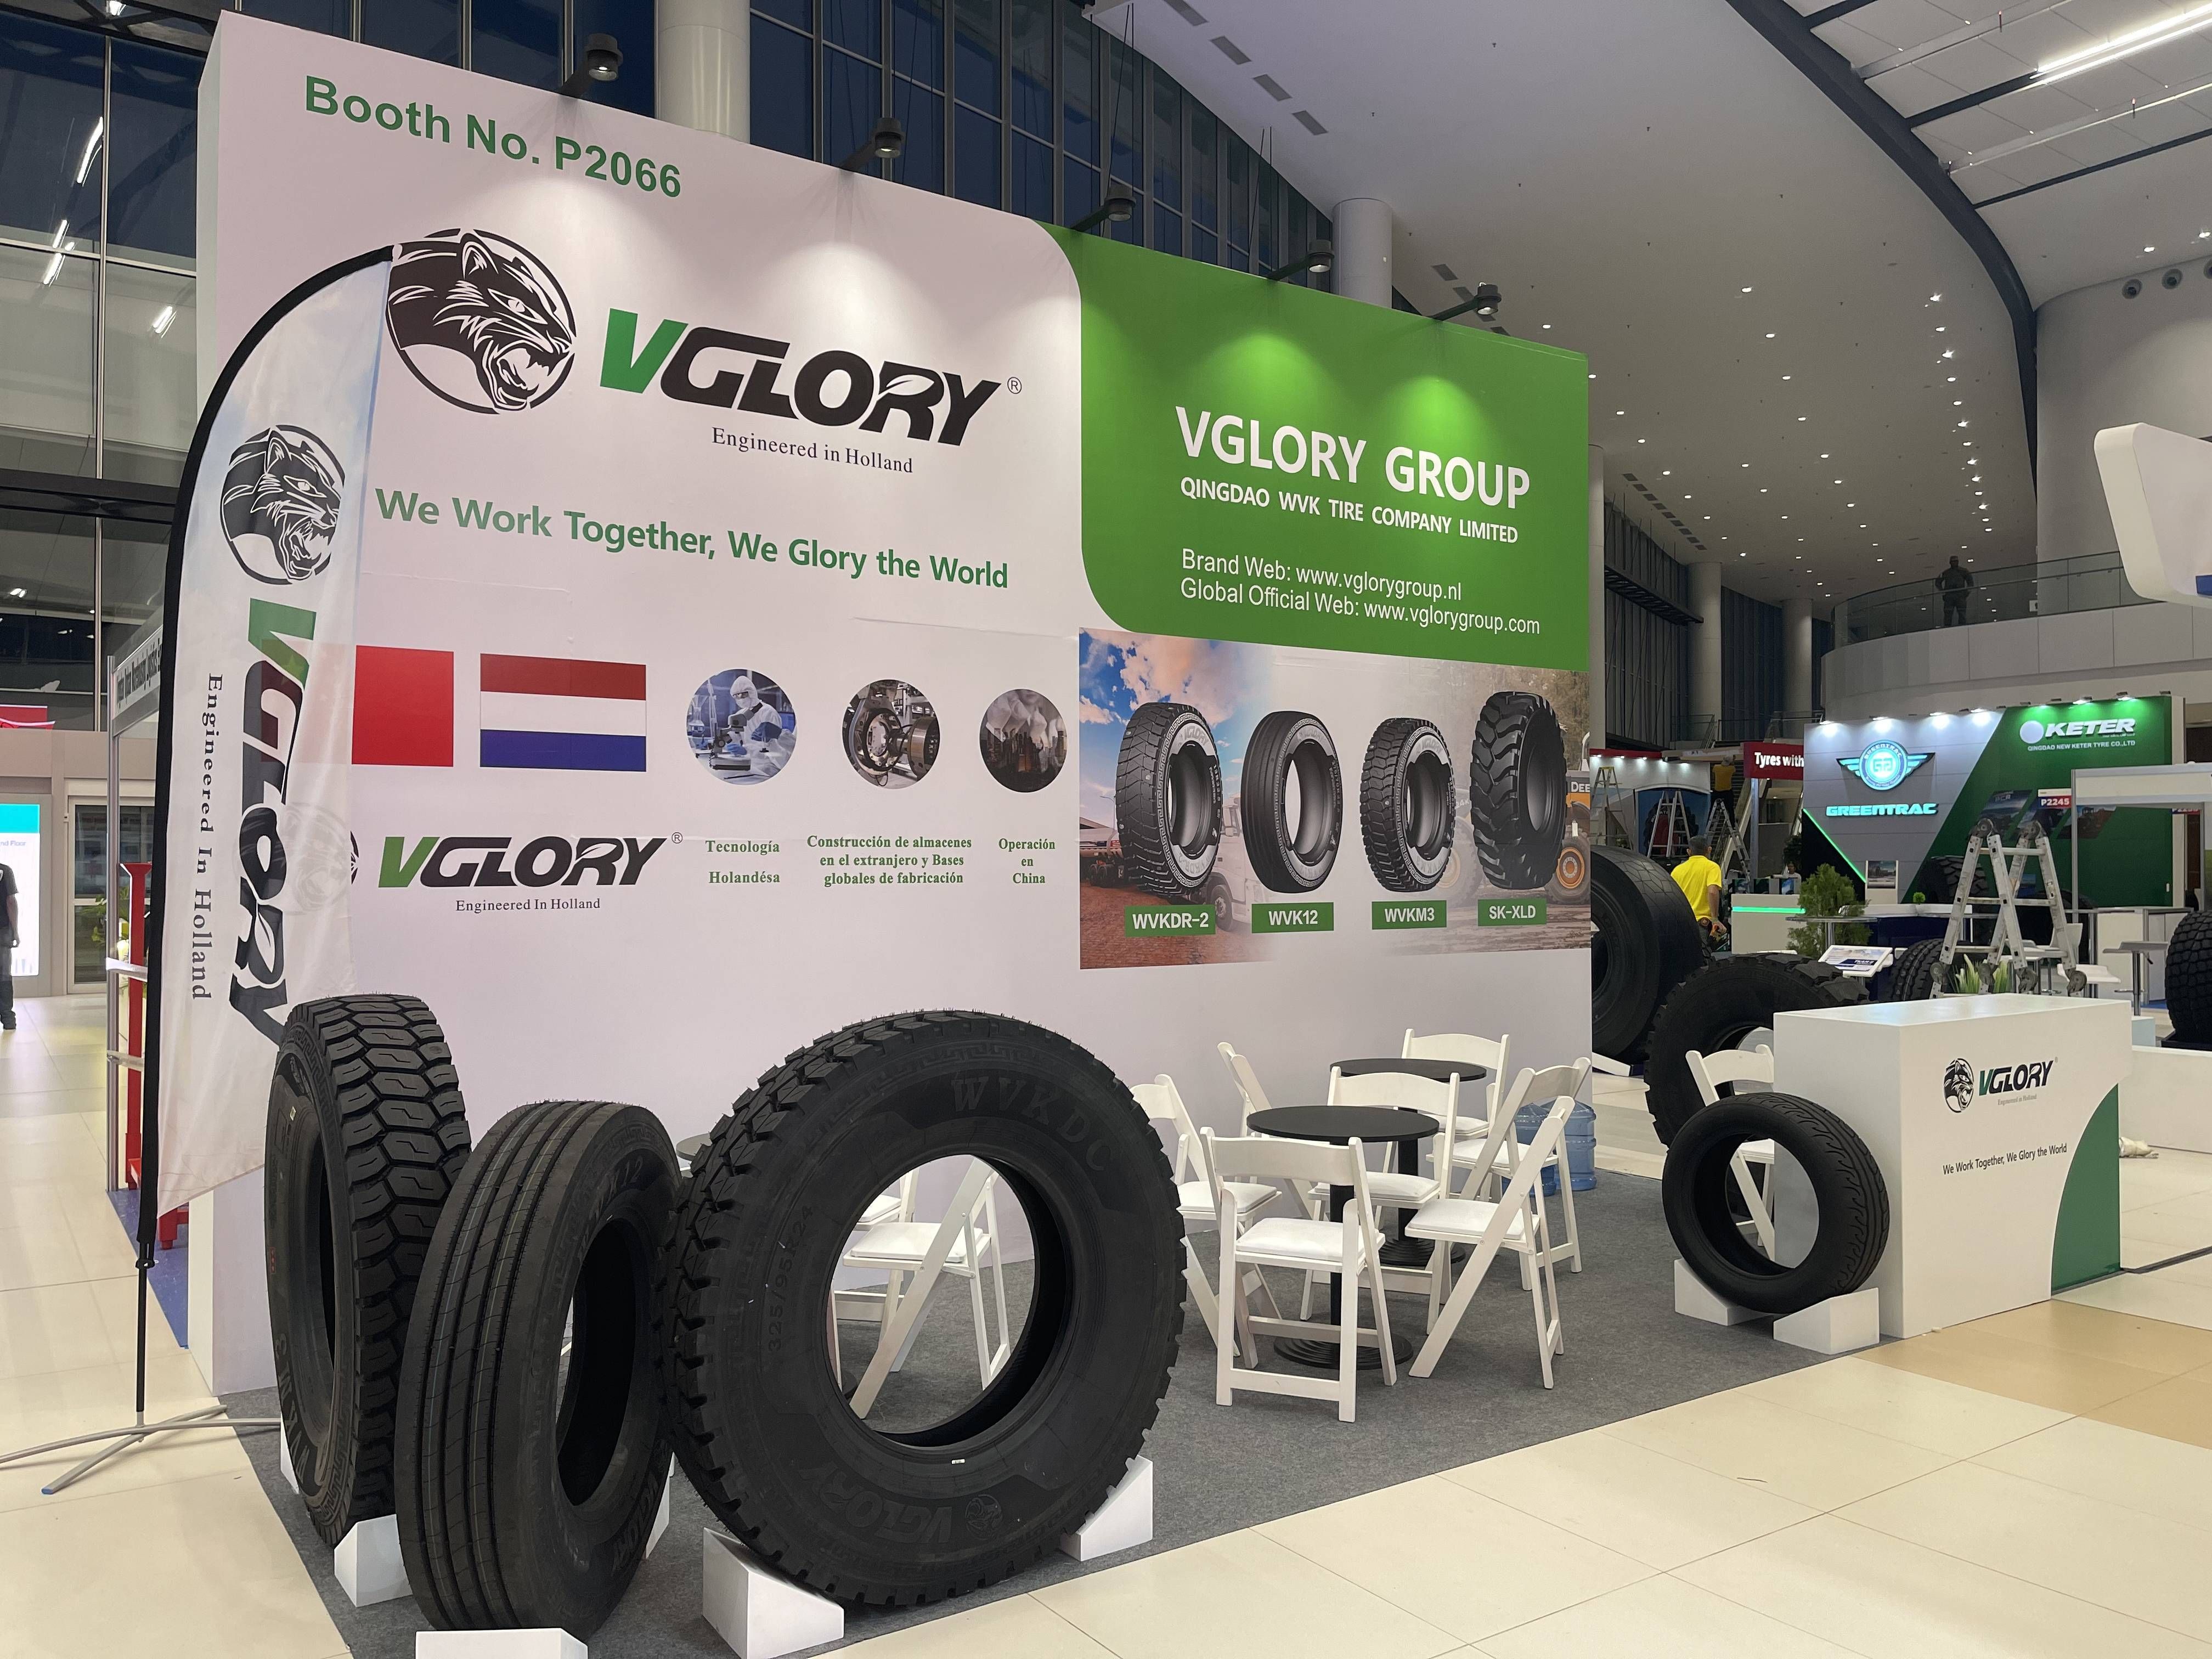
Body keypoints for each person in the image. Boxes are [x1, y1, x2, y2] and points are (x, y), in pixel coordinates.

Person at [1671, 833, 1724, 937]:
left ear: (1689, 852)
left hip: (1681, 923)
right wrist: (1715, 920)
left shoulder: (1677, 870)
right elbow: (1712, 892)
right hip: (1702, 924)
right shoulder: (1712, 867)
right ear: (1709, 850)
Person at [1937, 556, 1973, 627]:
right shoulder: (1946, 573)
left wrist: (1966, 593)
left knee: (1962, 613)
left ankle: (1962, 627)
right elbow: (1938, 582)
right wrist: (1943, 592)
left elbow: (1971, 582)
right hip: (1949, 595)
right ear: (1950, 563)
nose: (1954, 563)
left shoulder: (1963, 571)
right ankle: (1947, 627)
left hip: (1960, 595)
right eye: (1953, 562)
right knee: (1948, 614)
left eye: (1956, 561)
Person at [0, 858, 15, 1030]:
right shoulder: (5, 871)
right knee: (4, 975)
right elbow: (11, 901)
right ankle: (8, 1018)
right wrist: (15, 931)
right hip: (3, 930)